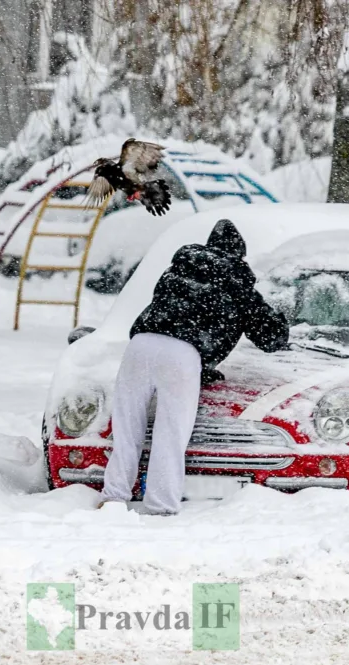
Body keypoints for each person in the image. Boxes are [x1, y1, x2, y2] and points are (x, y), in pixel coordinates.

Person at [100, 219, 289, 515]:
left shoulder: (179, 267)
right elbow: (269, 335)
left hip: (140, 344)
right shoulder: (236, 279)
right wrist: (280, 326)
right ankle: (161, 505)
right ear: (239, 254)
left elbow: (177, 309)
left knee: (128, 429)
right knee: (170, 434)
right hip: (182, 353)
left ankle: (113, 496)